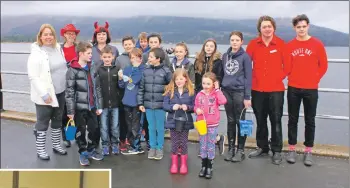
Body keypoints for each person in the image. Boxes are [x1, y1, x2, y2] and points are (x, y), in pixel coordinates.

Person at [284, 14, 328, 166]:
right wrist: (290, 77)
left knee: (310, 120)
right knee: (292, 119)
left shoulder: (317, 44)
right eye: (298, 27)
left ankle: (308, 150)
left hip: (311, 88)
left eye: (304, 26)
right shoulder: (289, 45)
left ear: (308, 26)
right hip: (293, 88)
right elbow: (286, 66)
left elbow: (323, 65)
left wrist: (314, 79)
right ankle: (291, 148)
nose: (301, 29)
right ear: (294, 28)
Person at [246, 15, 286, 165]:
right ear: (260, 29)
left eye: (269, 26)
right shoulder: (253, 44)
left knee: (276, 120)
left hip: (276, 90)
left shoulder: (281, 44)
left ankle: (276, 150)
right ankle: (262, 147)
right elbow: (246, 64)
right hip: (257, 89)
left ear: (273, 28)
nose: (267, 29)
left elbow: (288, 66)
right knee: (260, 120)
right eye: (264, 26)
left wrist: (277, 78)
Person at [27, 24, 68, 160]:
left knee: (57, 121)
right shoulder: (36, 53)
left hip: (61, 91)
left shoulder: (58, 49)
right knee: (43, 122)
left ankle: (56, 145)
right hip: (45, 95)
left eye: (51, 34)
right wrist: (44, 94)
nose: (48, 37)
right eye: (45, 34)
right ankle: (41, 150)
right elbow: (33, 76)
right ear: (40, 36)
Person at [66, 41, 104, 166]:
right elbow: (69, 92)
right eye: (88, 53)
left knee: (95, 129)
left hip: (92, 107)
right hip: (79, 108)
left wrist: (99, 106)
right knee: (80, 131)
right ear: (81, 53)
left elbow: (97, 88)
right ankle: (83, 152)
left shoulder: (92, 67)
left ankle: (91, 149)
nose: (91, 55)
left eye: (91, 53)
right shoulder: (72, 70)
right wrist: (70, 111)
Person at [219, 31, 252, 162]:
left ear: (241, 42)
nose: (234, 42)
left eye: (237, 40)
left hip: (239, 92)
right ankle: (231, 148)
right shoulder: (225, 56)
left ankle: (241, 150)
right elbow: (222, 74)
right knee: (231, 120)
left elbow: (248, 78)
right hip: (227, 91)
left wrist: (247, 96)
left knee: (241, 121)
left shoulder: (245, 57)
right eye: (232, 40)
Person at [137, 48, 172, 160]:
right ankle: (152, 147)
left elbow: (171, 88)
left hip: (160, 106)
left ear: (158, 59)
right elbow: (141, 88)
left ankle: (159, 147)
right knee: (151, 127)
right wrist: (140, 103)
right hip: (148, 105)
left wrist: (167, 102)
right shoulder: (145, 71)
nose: (149, 58)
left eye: (151, 56)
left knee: (160, 128)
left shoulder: (166, 71)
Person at [194, 38, 226, 155]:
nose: (209, 48)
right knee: (200, 118)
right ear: (204, 47)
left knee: (210, 119)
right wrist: (197, 91)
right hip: (200, 93)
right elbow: (196, 77)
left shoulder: (218, 61)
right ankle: (207, 143)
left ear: (215, 48)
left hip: (211, 94)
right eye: (207, 45)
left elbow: (219, 77)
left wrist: (215, 90)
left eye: (211, 46)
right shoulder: (198, 60)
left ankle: (213, 142)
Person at [195, 72, 227, 179]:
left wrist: (217, 90)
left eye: (208, 84)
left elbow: (223, 101)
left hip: (213, 124)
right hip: (202, 123)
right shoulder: (199, 94)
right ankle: (203, 166)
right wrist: (197, 110)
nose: (206, 86)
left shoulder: (216, 94)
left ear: (214, 84)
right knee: (203, 144)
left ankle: (209, 166)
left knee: (210, 145)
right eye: (204, 83)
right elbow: (195, 106)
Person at [163, 68, 195, 174]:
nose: (179, 81)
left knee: (184, 142)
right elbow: (165, 105)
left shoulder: (191, 92)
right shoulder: (169, 91)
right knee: (175, 142)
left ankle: (184, 164)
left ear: (186, 79)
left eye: (181, 78)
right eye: (177, 79)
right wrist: (173, 107)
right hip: (173, 121)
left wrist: (188, 107)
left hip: (185, 121)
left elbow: (194, 106)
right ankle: (174, 163)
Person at [95, 46, 122, 156]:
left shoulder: (117, 69)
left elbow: (120, 86)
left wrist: (121, 79)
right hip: (103, 104)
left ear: (113, 57)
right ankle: (105, 145)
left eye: (109, 57)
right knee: (104, 126)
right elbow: (97, 88)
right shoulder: (98, 70)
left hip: (115, 104)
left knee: (115, 126)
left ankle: (115, 144)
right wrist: (98, 105)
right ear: (101, 57)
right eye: (105, 57)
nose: (107, 59)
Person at [118, 48, 146, 155]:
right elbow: (121, 86)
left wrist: (125, 77)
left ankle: (136, 146)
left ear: (140, 58)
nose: (134, 59)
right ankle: (131, 143)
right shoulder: (127, 69)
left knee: (136, 125)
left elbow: (135, 80)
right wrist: (120, 78)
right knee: (128, 125)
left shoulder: (143, 70)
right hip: (127, 100)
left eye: (137, 57)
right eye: (132, 57)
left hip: (137, 102)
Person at [59, 23, 80, 148]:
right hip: (62, 83)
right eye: (69, 33)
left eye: (73, 33)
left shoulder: (78, 48)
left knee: (75, 111)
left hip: (77, 82)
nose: (71, 35)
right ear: (64, 35)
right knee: (65, 111)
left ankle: (74, 135)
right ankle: (66, 137)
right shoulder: (59, 49)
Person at [115, 36, 136, 151]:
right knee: (123, 118)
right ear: (123, 46)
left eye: (130, 44)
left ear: (134, 44)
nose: (128, 46)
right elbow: (117, 74)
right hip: (123, 92)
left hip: (135, 92)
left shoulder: (138, 56)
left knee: (134, 118)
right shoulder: (119, 59)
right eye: (126, 44)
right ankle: (122, 139)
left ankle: (132, 139)